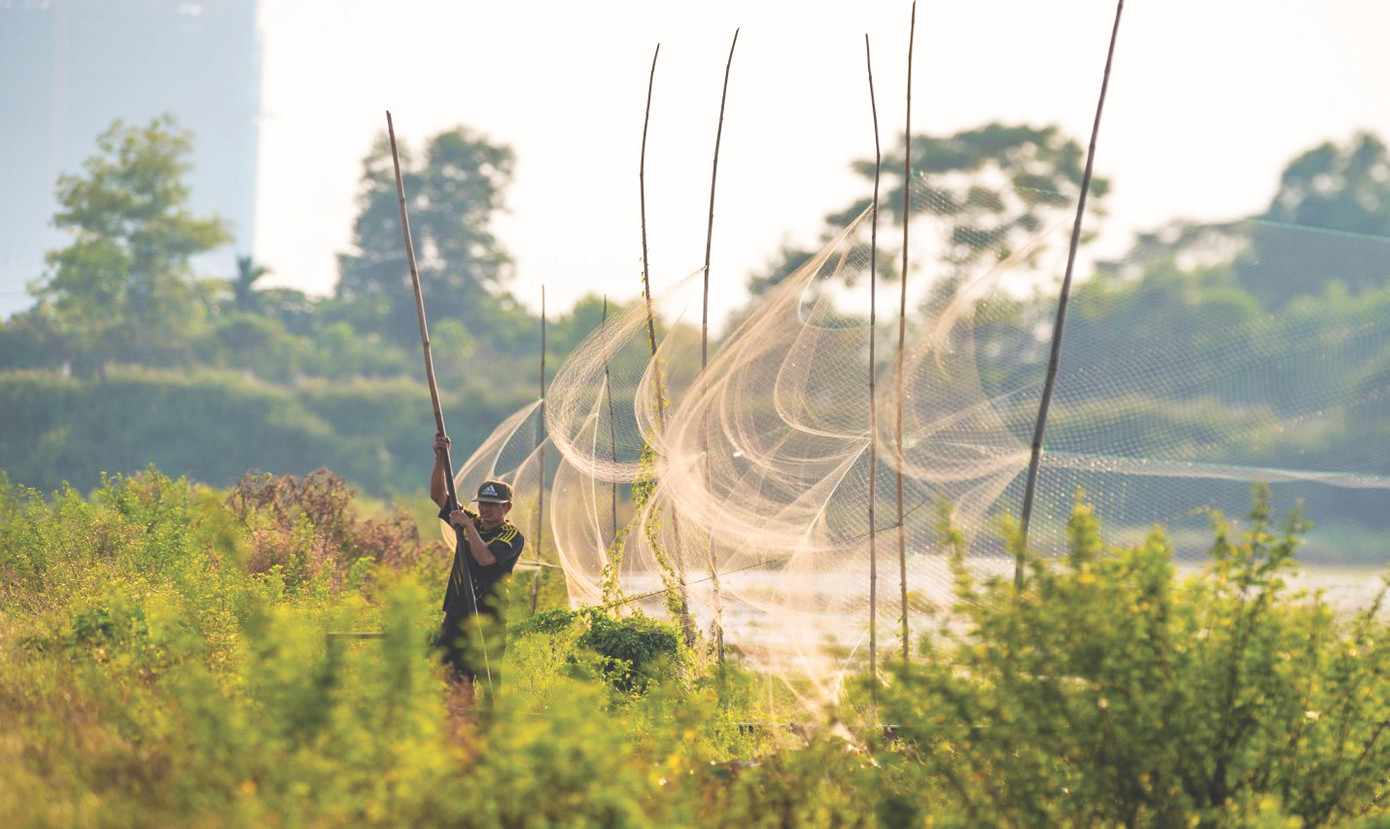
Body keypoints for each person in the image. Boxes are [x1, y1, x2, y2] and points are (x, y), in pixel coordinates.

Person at [430, 433, 525, 685]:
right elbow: (439, 496)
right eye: (482, 503)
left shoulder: (511, 535)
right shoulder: (471, 521)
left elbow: (485, 558)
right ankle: (460, 709)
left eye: (493, 504)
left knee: (488, 681)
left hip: (488, 618)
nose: (485, 508)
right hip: (457, 613)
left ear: (507, 507)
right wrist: (440, 458)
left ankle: (489, 711)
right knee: (453, 678)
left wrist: (467, 526)